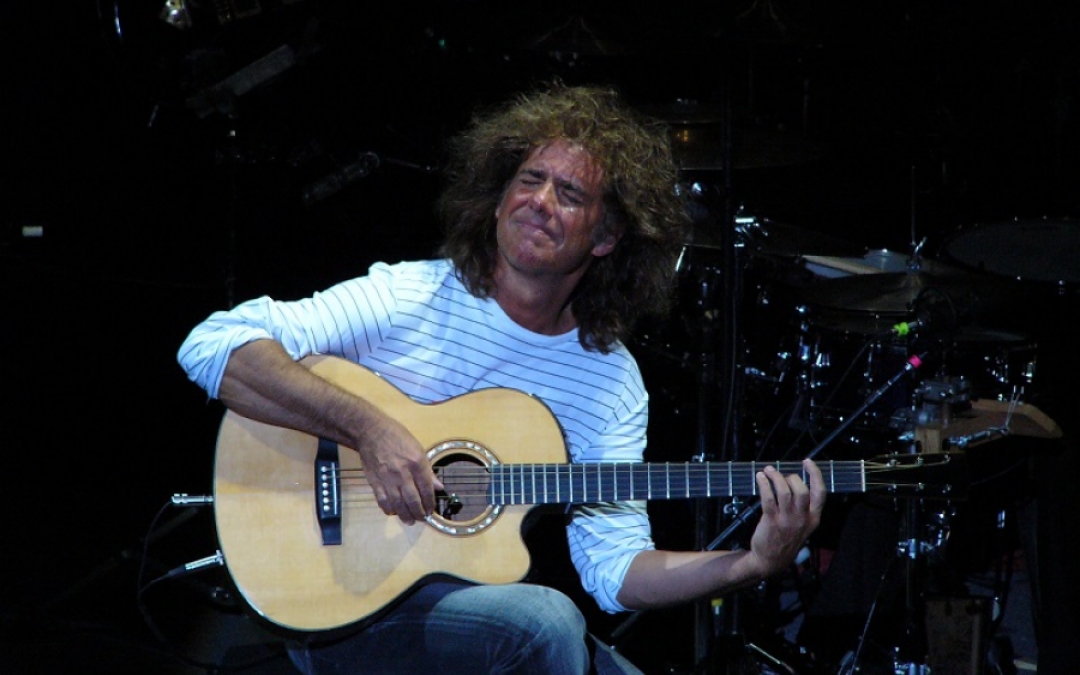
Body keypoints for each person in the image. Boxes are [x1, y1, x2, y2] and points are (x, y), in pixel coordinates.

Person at [177, 80, 826, 675]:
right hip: (337, 607)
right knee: (548, 622)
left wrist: (752, 563)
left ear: (605, 238)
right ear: (496, 201)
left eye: (569, 194)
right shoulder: (411, 296)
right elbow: (212, 344)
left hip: (464, 619)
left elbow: (615, 570)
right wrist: (369, 430)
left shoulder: (609, 382)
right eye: (530, 180)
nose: (540, 201)